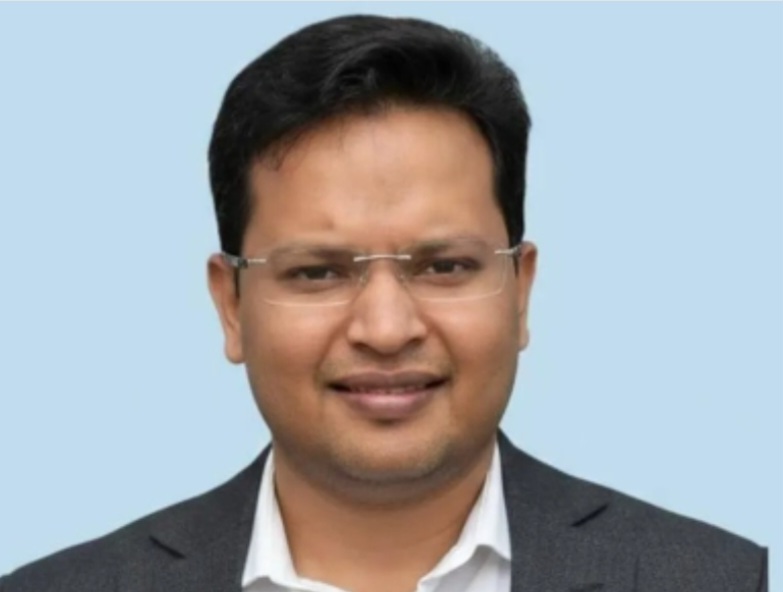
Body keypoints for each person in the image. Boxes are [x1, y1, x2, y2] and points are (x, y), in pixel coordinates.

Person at [0, 14, 767, 592]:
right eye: (317, 273)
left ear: (520, 290)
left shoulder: (727, 579)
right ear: (231, 304)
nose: (386, 328)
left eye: (444, 266)